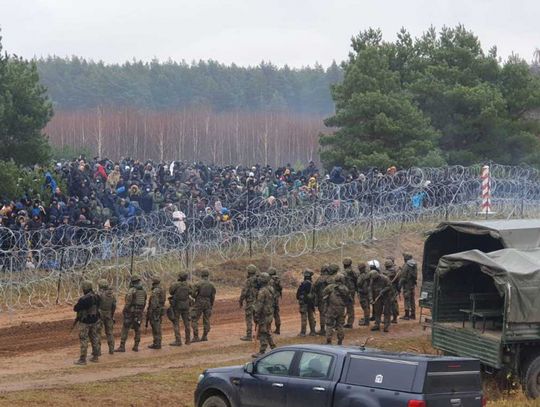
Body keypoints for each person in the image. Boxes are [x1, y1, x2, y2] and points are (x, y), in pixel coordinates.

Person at [116, 274, 147, 352]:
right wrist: (141, 310)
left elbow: (128, 302)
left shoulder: (131, 290)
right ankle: (136, 346)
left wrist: (125, 310)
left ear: (132, 282)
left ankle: (122, 346)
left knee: (125, 328)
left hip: (131, 312)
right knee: (137, 329)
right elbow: (144, 302)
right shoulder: (143, 291)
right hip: (139, 312)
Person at [73, 280, 100, 365]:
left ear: (85, 288)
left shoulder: (84, 299)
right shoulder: (96, 297)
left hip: (85, 322)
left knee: (84, 339)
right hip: (95, 320)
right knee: (94, 338)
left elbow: (76, 308)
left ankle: (82, 359)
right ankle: (95, 356)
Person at [252, 272, 276, 358]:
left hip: (264, 315)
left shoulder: (262, 291)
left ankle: (262, 351)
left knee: (263, 332)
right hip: (270, 313)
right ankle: (273, 347)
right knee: (267, 330)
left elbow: (259, 305)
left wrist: (256, 315)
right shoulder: (271, 289)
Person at [323, 274, 349, 345]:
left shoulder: (330, 287)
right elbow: (348, 299)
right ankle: (340, 341)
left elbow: (324, 294)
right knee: (340, 325)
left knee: (329, 325)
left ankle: (328, 340)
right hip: (341, 309)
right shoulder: (345, 288)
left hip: (331, 308)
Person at [191, 269, 216, 342]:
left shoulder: (198, 284)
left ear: (201, 275)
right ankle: (204, 336)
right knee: (206, 319)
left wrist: (196, 297)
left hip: (199, 302)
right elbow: (213, 296)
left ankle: (196, 337)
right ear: (208, 275)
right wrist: (211, 304)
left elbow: (193, 294)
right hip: (208, 302)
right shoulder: (212, 284)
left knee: (194, 318)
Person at [168, 271, 192, 346]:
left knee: (176, 323)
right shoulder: (188, 285)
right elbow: (191, 292)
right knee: (187, 323)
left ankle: (178, 340)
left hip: (177, 306)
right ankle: (188, 340)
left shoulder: (175, 285)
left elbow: (171, 292)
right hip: (186, 306)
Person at [368, 260, 392, 332]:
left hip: (386, 297)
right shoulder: (372, 280)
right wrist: (371, 299)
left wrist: (383, 291)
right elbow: (370, 290)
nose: (373, 280)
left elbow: (389, 286)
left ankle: (386, 326)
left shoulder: (385, 278)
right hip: (377, 297)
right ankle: (377, 325)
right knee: (377, 311)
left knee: (387, 312)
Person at [96, 279, 116, 355]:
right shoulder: (112, 295)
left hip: (100, 314)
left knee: (98, 333)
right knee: (110, 333)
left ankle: (98, 351)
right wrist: (112, 315)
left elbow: (96, 305)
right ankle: (111, 349)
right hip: (109, 314)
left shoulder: (99, 294)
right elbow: (114, 306)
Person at [239, 264, 259, 341]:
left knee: (248, 318)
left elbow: (244, 292)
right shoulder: (258, 280)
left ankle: (249, 335)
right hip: (257, 301)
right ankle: (259, 334)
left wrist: (241, 300)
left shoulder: (248, 281)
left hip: (250, 302)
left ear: (249, 272)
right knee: (257, 318)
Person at [296, 269, 317, 337]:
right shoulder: (312, 284)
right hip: (310, 303)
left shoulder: (303, 284)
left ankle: (303, 332)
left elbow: (298, 294)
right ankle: (313, 331)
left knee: (304, 318)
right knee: (311, 317)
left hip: (304, 302)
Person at [147, 275, 165, 349]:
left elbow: (154, 302)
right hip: (160, 309)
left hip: (155, 311)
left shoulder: (155, 291)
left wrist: (152, 311)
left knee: (155, 327)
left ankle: (157, 343)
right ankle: (157, 342)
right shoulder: (162, 289)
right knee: (157, 326)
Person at [400, 253, 418, 320]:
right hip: (412, 284)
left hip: (407, 285)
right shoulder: (414, 264)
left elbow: (403, 276)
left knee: (407, 299)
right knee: (412, 299)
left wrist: (399, 285)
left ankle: (407, 315)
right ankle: (413, 314)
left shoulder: (407, 265)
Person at [313, 264, 330, 335]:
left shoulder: (319, 279)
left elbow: (314, 288)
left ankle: (323, 329)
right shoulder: (330, 278)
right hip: (330, 298)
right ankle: (330, 329)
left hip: (321, 299)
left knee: (322, 314)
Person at [383, 258, 400, 323]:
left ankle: (387, 319)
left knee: (387, 304)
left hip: (387, 290)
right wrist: (398, 289)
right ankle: (394, 318)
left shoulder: (384, 273)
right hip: (393, 289)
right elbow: (398, 281)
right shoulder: (395, 272)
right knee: (393, 304)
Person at [342, 258, 357, 328]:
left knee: (342, 306)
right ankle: (350, 322)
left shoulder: (343, 273)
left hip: (344, 290)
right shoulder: (353, 272)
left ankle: (341, 322)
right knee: (350, 307)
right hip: (352, 290)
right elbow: (356, 280)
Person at [268, 267, 282, 335]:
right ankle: (278, 329)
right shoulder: (277, 279)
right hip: (276, 299)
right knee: (276, 314)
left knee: (269, 314)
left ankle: (269, 329)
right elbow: (280, 288)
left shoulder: (270, 280)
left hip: (271, 299)